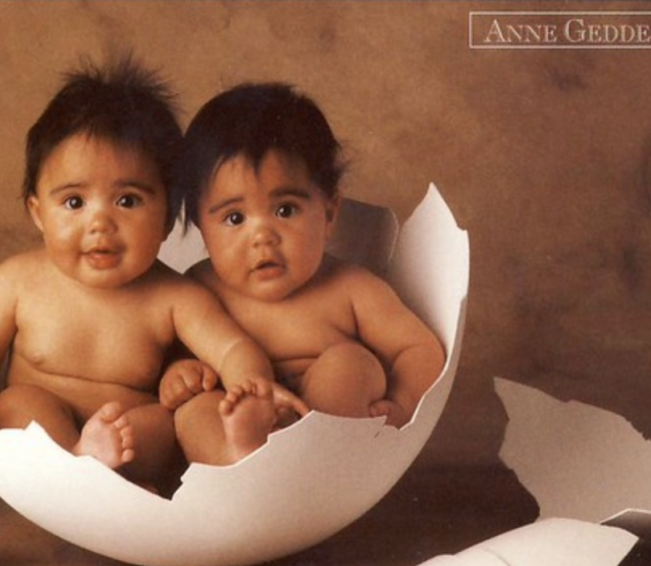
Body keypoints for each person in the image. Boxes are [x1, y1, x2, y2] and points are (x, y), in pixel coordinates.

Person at [0, 60, 304, 488]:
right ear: (38, 213)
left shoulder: (173, 296)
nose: (101, 224)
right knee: (16, 405)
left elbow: (231, 348)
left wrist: (253, 390)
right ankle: (75, 461)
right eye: (75, 202)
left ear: (168, 217)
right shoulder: (18, 281)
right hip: (46, 434)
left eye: (128, 201)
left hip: (128, 439)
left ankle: (232, 458)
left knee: (168, 422)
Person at [160, 83, 445, 466]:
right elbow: (168, 357)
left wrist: (404, 404)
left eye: (285, 210)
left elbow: (419, 348)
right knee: (194, 410)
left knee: (347, 364)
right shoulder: (197, 291)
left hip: (328, 429)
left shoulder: (351, 288)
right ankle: (236, 456)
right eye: (234, 218)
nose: (262, 236)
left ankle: (315, 453)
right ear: (201, 227)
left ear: (328, 212)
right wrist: (180, 375)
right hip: (244, 413)